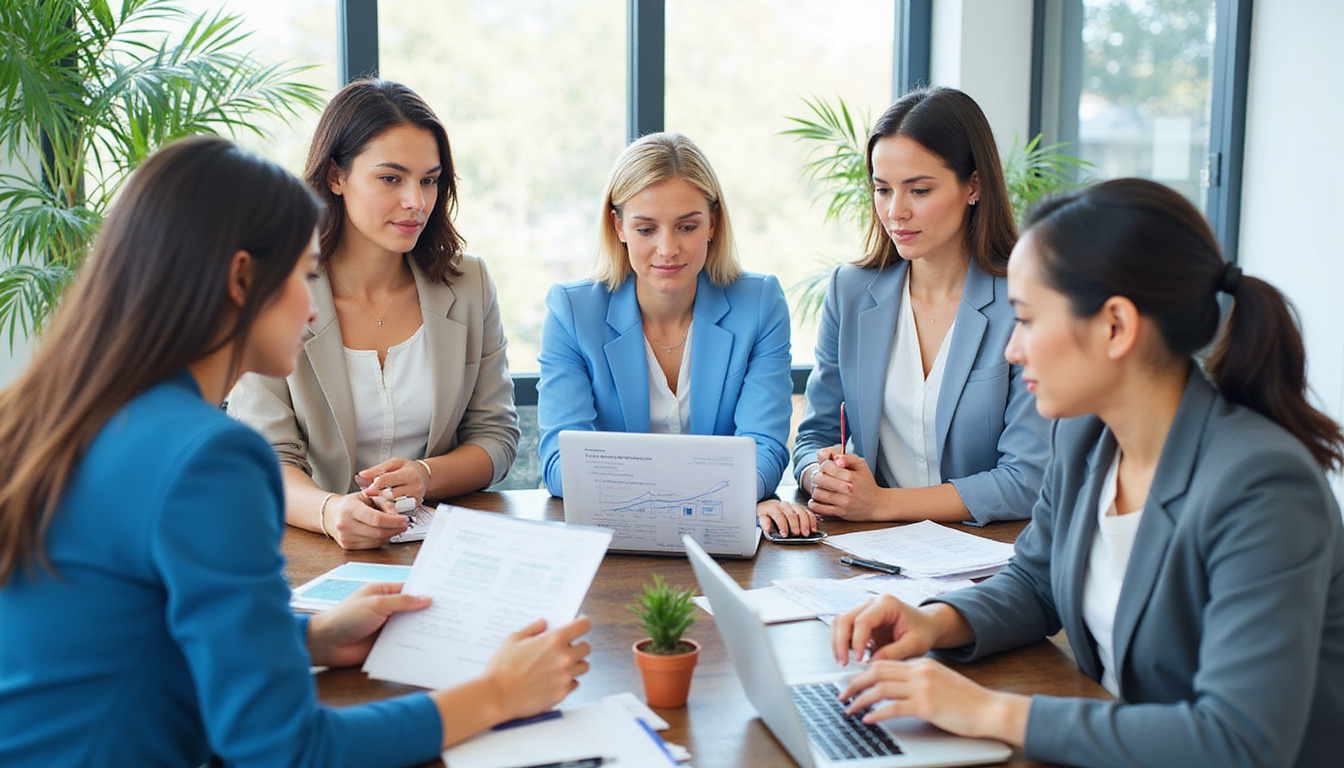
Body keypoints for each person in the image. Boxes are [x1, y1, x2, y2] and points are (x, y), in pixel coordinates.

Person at [0, 136, 591, 767]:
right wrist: (496, 693)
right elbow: (285, 751)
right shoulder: (210, 458)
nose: (313, 310)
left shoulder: (56, 412)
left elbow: (132, 619)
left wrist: (315, 635)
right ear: (242, 278)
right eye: (300, 274)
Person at [830, 178, 1344, 768]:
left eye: (1026, 319)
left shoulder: (1263, 488)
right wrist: (932, 622)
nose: (1011, 349)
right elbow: (1036, 582)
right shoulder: (1087, 437)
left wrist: (991, 712)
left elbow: (1238, 741)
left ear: (1116, 327)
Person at [229, 79, 519, 550]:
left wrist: (427, 475)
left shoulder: (469, 285)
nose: (416, 201)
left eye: (429, 179)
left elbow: (496, 437)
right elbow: (264, 456)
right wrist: (330, 511)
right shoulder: (276, 288)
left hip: (438, 546)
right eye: (391, 179)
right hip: (313, 546)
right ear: (336, 177)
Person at [792, 87, 1049, 525]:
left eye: (919, 190)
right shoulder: (850, 292)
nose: (895, 212)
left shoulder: (1024, 303)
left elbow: (1027, 478)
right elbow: (813, 436)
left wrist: (881, 504)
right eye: (882, 189)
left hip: (991, 555)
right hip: (870, 552)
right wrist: (822, 477)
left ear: (974, 184)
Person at [537, 132, 814, 536]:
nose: (668, 249)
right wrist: (725, 492)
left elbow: (765, 447)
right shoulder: (573, 312)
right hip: (614, 540)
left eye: (686, 226)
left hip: (719, 537)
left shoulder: (759, 304)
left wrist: (642, 488)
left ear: (713, 223)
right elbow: (559, 466)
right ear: (618, 226)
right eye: (646, 229)